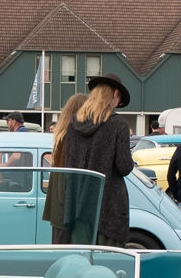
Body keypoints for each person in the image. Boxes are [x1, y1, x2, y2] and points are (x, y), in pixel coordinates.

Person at [54, 75, 135, 247]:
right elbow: (124, 167)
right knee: (107, 264)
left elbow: (70, 166)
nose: (117, 104)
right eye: (119, 99)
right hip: (108, 207)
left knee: (82, 262)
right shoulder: (118, 124)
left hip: (78, 207)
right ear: (114, 94)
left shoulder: (74, 125)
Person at [43, 93, 89, 242]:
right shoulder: (71, 137)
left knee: (60, 250)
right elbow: (70, 176)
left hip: (59, 205)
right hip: (67, 207)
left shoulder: (61, 136)